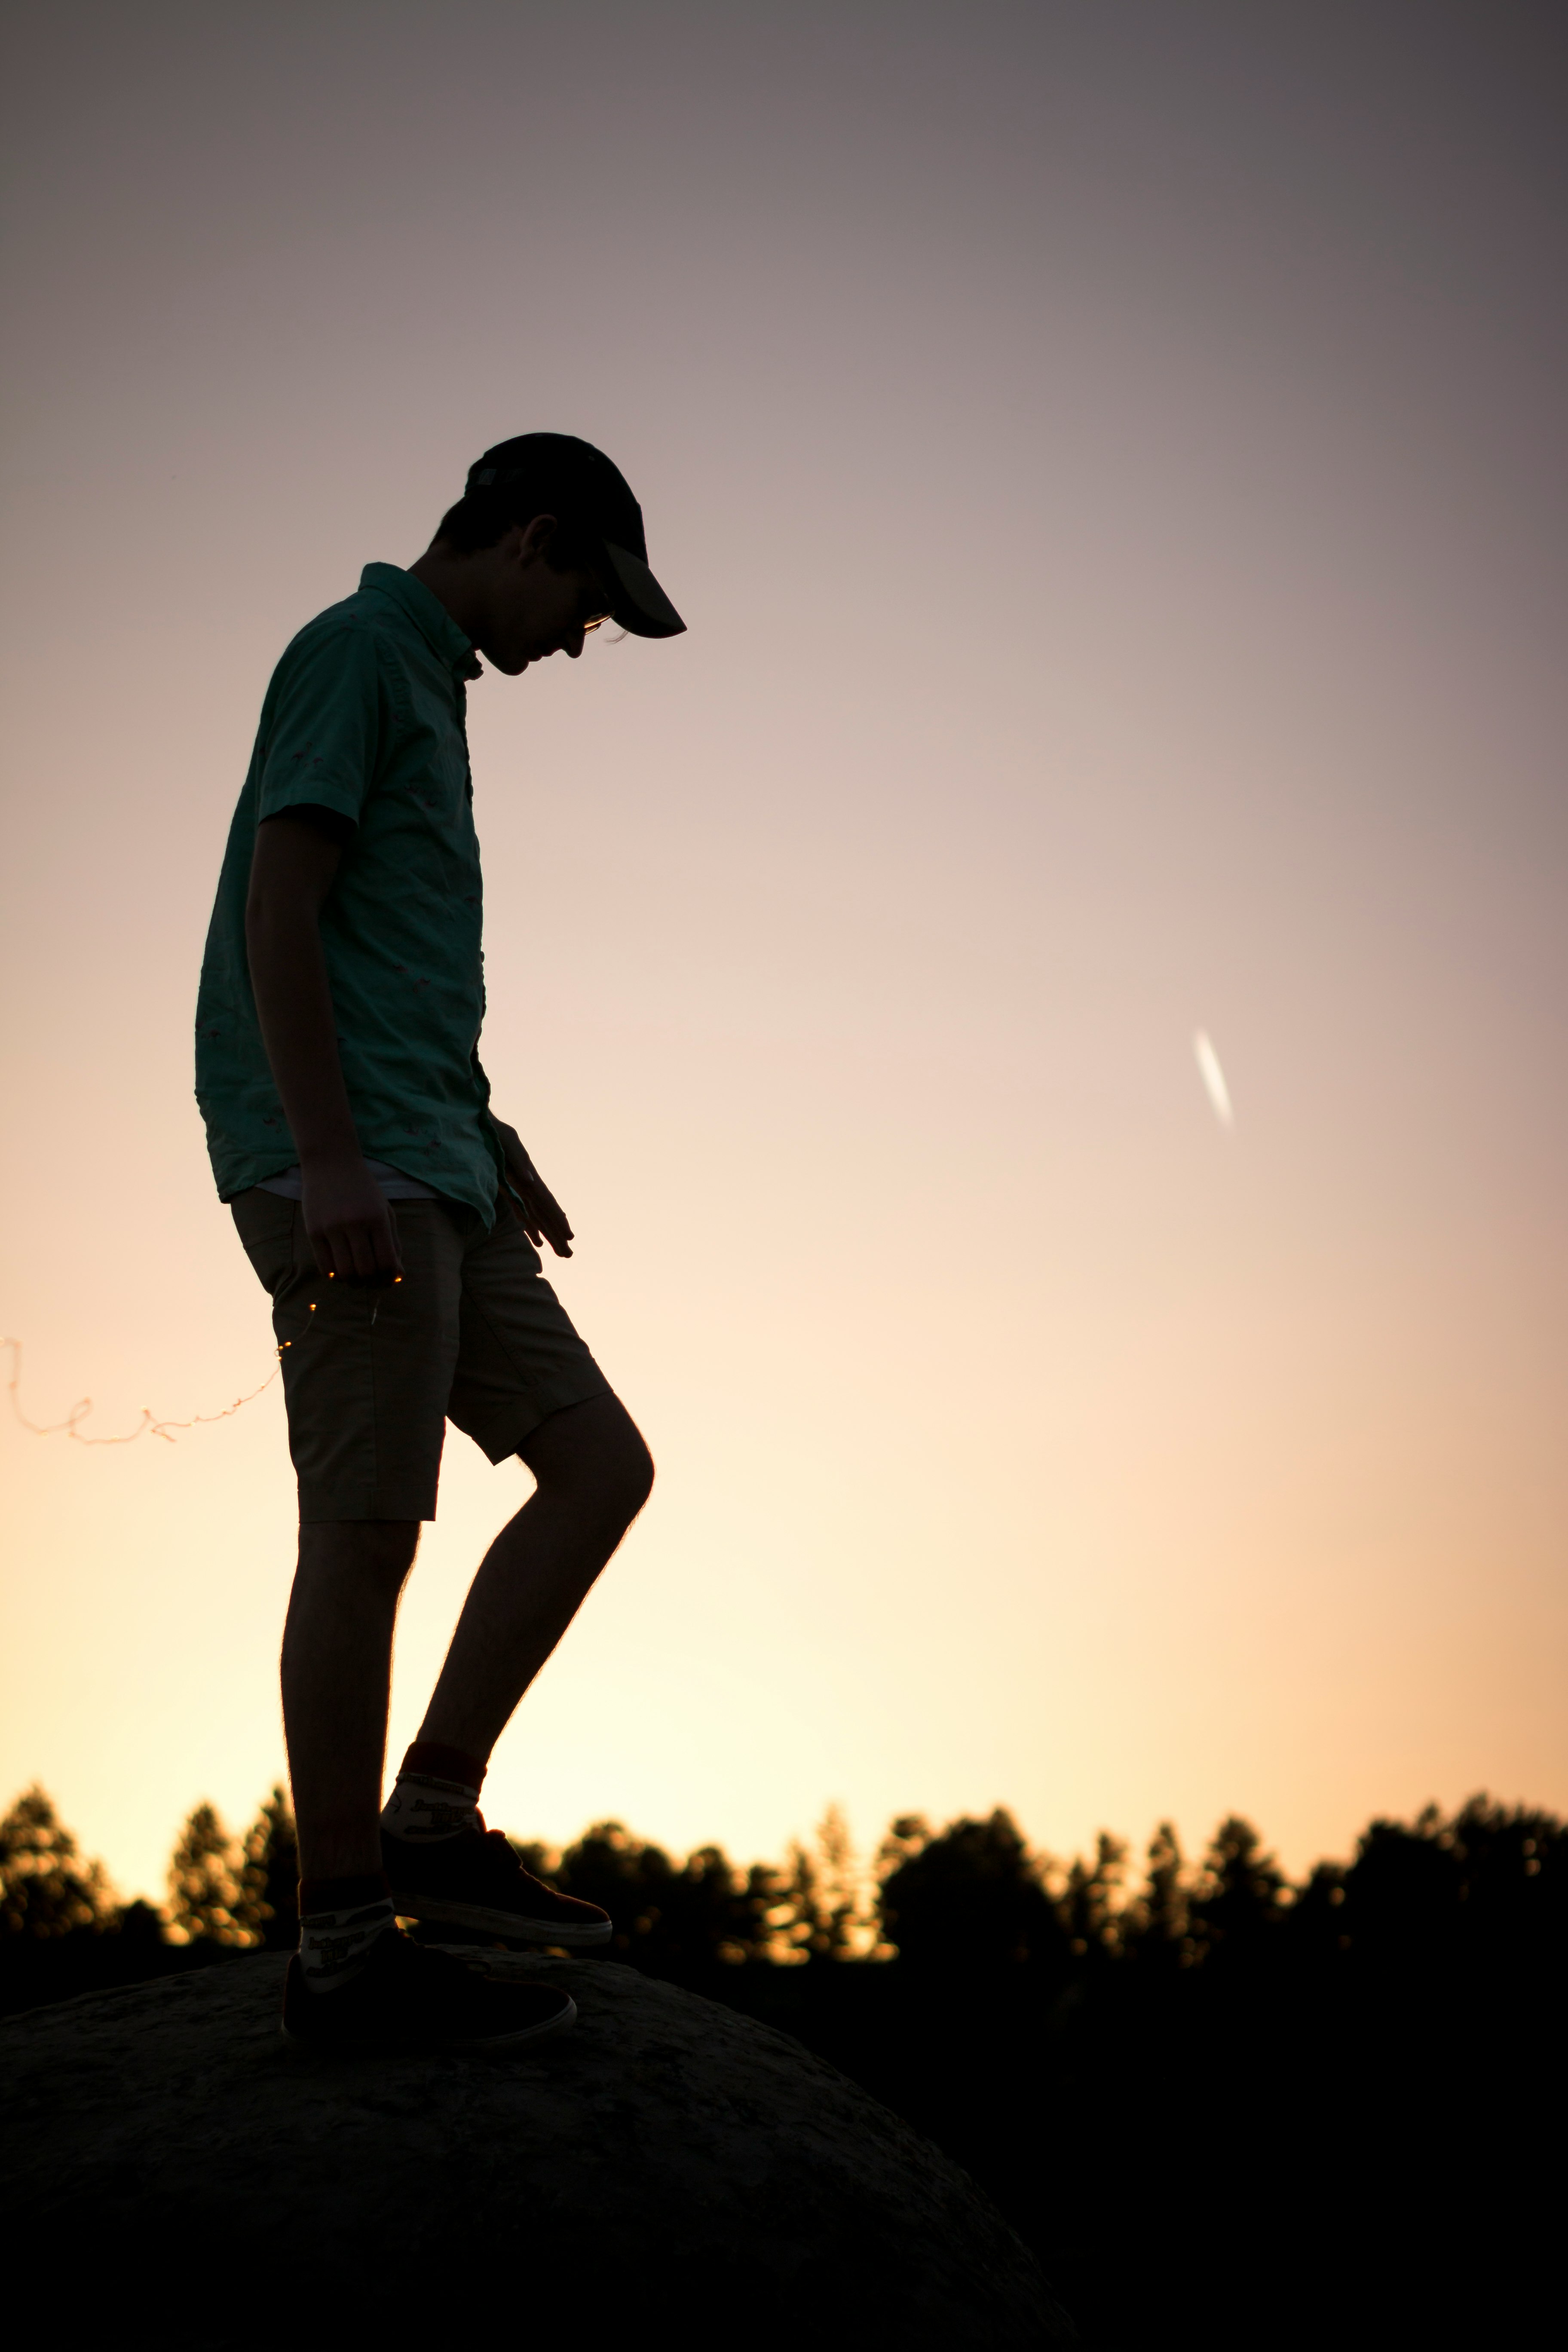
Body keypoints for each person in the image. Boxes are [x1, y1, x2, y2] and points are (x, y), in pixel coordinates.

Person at [195, 434, 684, 2049]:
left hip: (435, 1160)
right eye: (590, 602)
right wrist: (329, 1157)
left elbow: (387, 951)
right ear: (532, 540)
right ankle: (341, 1945)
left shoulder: (435, 683)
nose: (585, 638)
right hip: (352, 1172)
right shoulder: (352, 653)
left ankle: (434, 1820)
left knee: (602, 1463)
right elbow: (282, 904)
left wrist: (486, 1128)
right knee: (366, 1528)